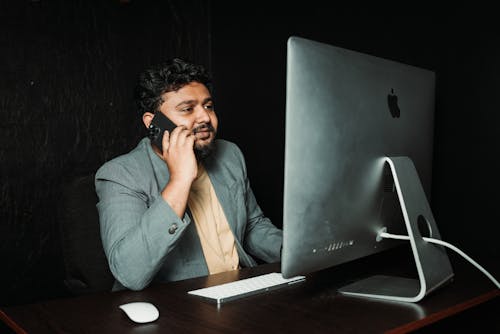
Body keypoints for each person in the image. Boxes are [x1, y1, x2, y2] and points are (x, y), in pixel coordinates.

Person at [95, 58, 282, 291]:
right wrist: (180, 180)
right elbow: (130, 273)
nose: (204, 117)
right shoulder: (120, 175)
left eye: (208, 106)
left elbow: (252, 226)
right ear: (153, 123)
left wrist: (295, 252)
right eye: (187, 109)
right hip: (176, 306)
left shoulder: (230, 155)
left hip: (239, 291)